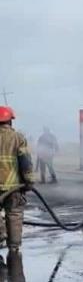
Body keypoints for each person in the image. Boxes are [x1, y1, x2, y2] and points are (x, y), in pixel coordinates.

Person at [0, 106, 35, 251]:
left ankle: (0, 236)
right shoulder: (18, 138)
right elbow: (25, 162)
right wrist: (29, 181)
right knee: (14, 215)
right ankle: (14, 247)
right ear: (10, 121)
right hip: (13, 187)